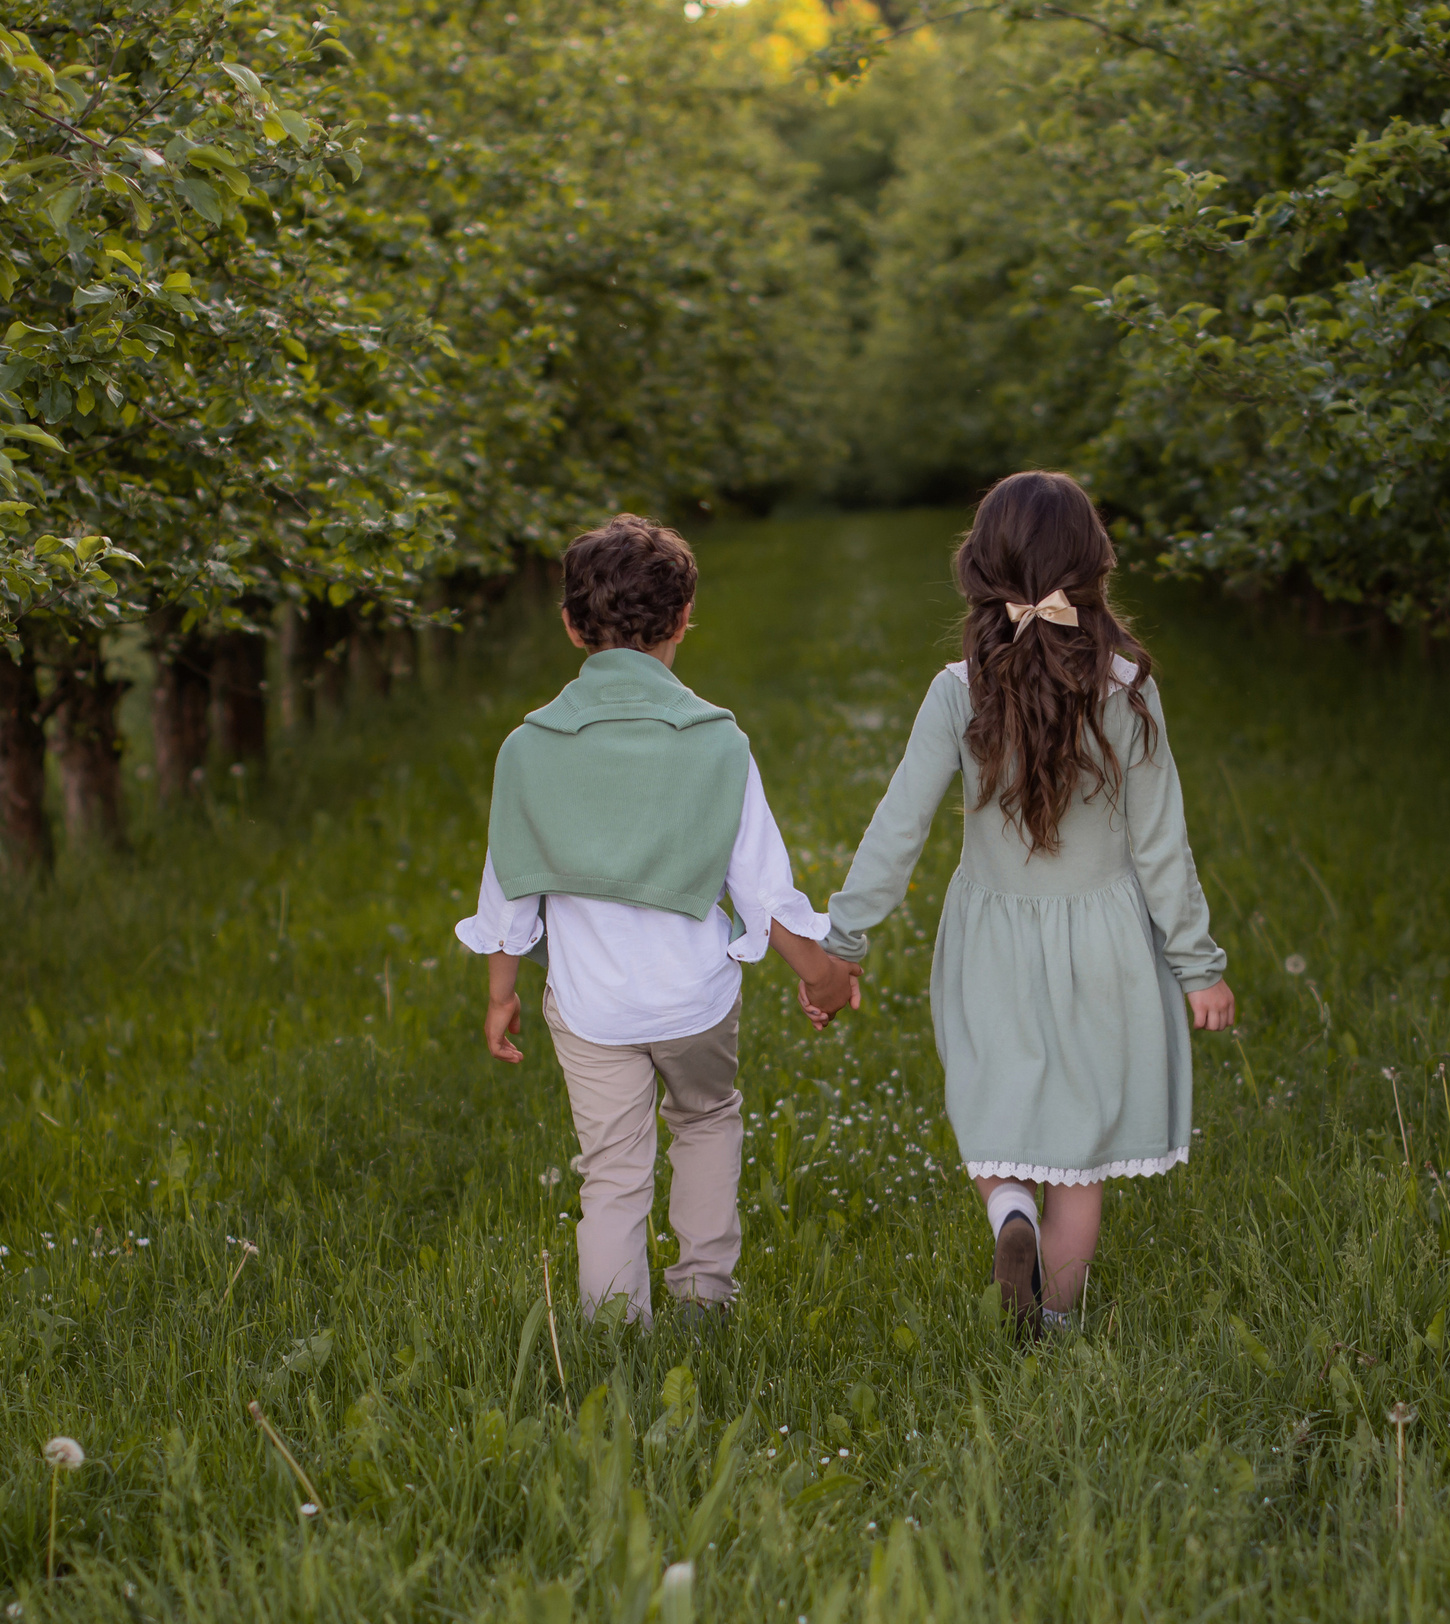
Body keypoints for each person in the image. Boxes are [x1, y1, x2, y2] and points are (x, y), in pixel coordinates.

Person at [809, 471, 1234, 1335]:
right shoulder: (1125, 688)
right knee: (1080, 1161)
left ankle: (1009, 1209)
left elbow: (899, 827)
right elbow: (1161, 845)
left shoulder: (956, 689)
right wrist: (1198, 966)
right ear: (1092, 566)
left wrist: (842, 938)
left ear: (981, 568)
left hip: (990, 940)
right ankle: (1056, 1327)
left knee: (992, 1110)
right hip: (1107, 943)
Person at [457, 514, 860, 1329]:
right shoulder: (718, 742)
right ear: (682, 623)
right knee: (707, 1119)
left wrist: (501, 992)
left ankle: (613, 1330)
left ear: (571, 626)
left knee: (611, 1170)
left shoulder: (526, 749)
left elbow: (506, 888)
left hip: (591, 1005)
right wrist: (822, 974)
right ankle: (704, 1295)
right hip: (695, 999)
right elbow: (763, 889)